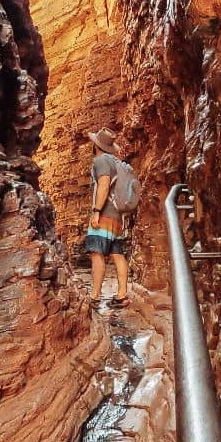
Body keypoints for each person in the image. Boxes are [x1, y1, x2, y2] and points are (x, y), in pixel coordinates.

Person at [83, 126, 128, 307]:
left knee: (96, 253)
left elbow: (103, 185)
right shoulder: (117, 163)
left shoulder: (101, 160)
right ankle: (122, 295)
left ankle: (94, 296)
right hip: (118, 216)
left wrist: (96, 211)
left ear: (96, 145)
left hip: (104, 215)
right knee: (117, 254)